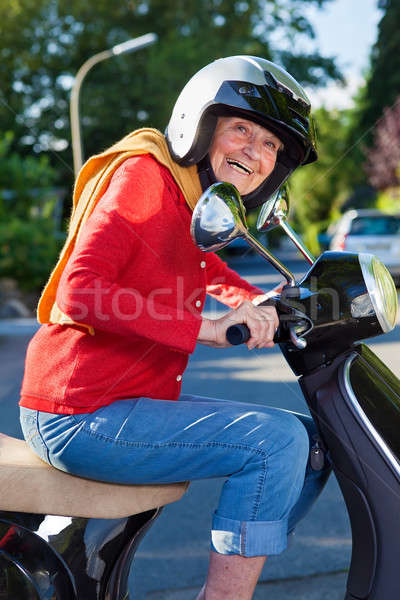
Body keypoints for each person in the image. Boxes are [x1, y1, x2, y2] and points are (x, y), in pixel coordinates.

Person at [19, 55, 329, 599]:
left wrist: (265, 302)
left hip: (126, 404)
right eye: (242, 130)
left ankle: (244, 551)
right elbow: (81, 289)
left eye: (271, 147)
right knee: (276, 443)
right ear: (203, 126)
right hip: (77, 413)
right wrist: (209, 328)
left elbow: (211, 269)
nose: (254, 153)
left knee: (314, 443)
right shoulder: (145, 175)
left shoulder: (187, 195)